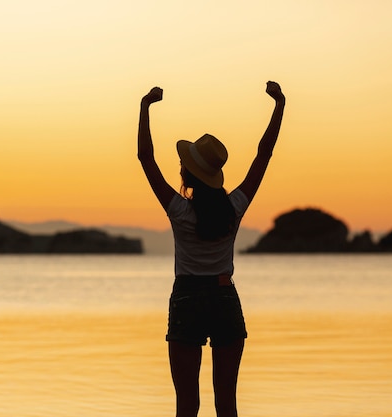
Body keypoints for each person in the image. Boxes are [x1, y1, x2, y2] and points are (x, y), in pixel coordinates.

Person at [137, 81, 285, 417]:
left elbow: (145, 157)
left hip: (187, 299)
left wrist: (145, 106)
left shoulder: (179, 210)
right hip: (224, 297)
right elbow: (264, 154)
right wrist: (279, 105)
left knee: (187, 406)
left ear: (188, 172)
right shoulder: (234, 208)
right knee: (227, 406)